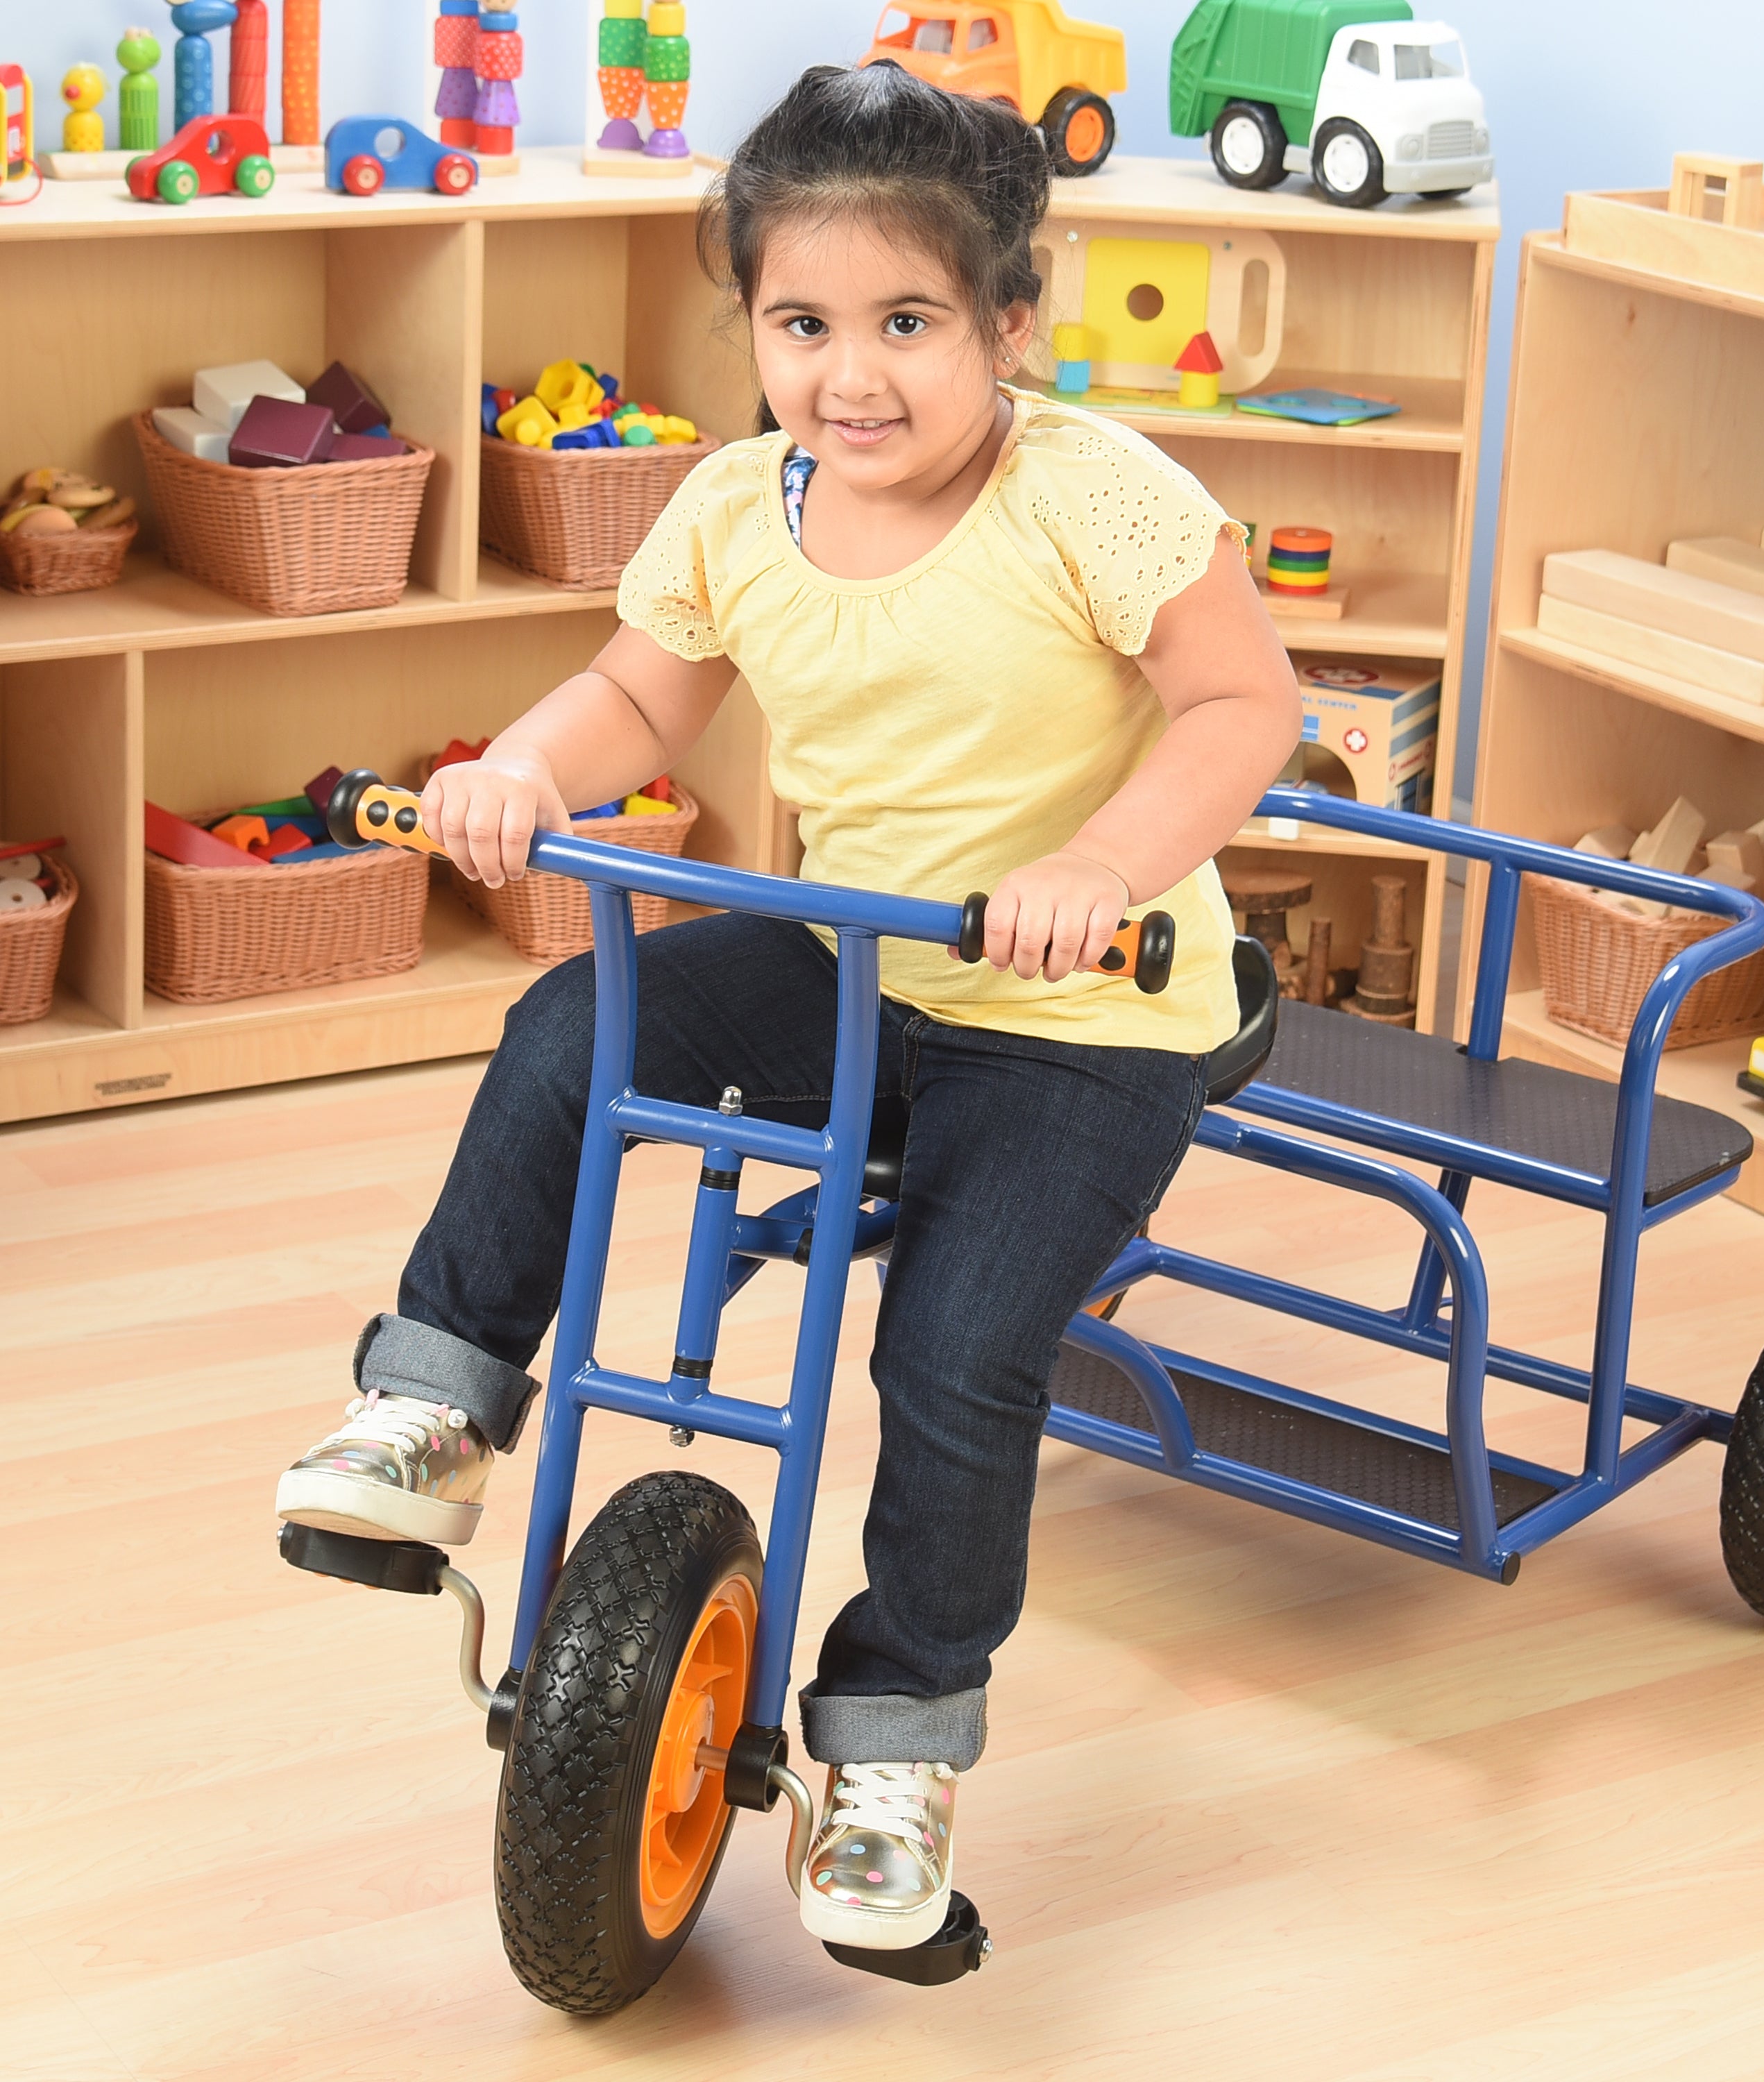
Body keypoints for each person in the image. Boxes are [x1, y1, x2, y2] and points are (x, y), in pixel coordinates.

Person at [277, 62, 1298, 1952]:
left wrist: (1105, 867)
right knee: (573, 1031)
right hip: (851, 959)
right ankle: (432, 1407)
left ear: (1012, 318)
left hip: (1084, 1012)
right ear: (749, 323)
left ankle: (898, 1735)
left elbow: (1246, 708)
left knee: (955, 1350)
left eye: (908, 322)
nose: (851, 373)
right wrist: (522, 766)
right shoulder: (743, 503)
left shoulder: (1099, 495)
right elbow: (641, 702)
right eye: (802, 322)